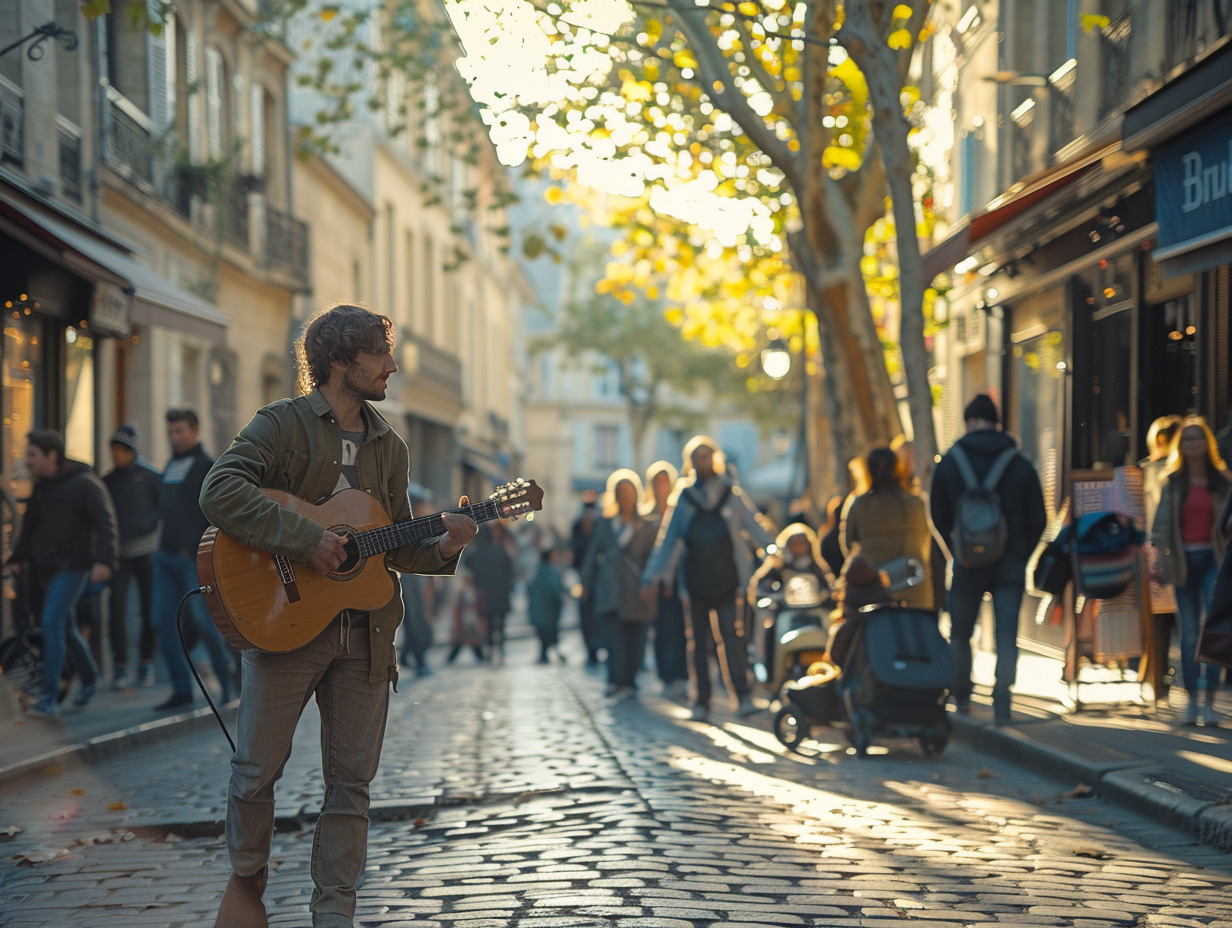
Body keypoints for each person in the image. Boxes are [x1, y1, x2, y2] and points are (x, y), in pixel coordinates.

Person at [199, 302, 477, 928]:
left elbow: (395, 544)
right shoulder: (281, 424)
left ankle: (335, 914)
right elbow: (219, 491)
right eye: (381, 354)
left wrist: (448, 543)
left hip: (366, 638)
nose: (393, 366)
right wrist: (303, 537)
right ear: (342, 359)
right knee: (254, 771)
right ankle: (245, 891)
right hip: (283, 626)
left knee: (351, 786)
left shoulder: (391, 446)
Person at [930, 394, 1046, 725]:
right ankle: (1003, 703)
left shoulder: (950, 462)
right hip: (1010, 563)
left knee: (961, 633)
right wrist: (1020, 553)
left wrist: (956, 549)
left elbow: (936, 513)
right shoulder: (1020, 463)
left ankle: (962, 697)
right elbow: (1038, 517)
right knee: (1007, 635)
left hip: (967, 563)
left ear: (968, 421)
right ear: (997, 423)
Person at [641, 435, 775, 721]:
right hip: (694, 581)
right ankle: (701, 702)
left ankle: (742, 696)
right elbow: (668, 541)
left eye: (706, 456)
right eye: (697, 457)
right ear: (691, 461)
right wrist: (651, 576)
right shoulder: (684, 496)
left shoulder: (731, 492)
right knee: (697, 642)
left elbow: (754, 526)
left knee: (732, 637)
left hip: (728, 579)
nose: (702, 462)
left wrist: (776, 552)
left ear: (714, 458)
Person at [3, 430, 117, 718]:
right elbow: (29, 530)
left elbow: (106, 523)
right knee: (64, 626)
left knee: (51, 621)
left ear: (51, 456)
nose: (26, 460)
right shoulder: (42, 488)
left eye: (32, 454)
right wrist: (17, 559)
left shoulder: (85, 484)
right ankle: (90, 679)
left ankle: (49, 699)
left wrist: (105, 560)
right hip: (46, 568)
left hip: (74, 567)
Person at [152, 408, 236, 711]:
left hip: (192, 559)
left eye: (180, 431)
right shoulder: (172, 464)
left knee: (204, 623)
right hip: (164, 557)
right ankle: (182, 690)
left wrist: (195, 546)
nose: (175, 437)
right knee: (164, 622)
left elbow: (216, 513)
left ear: (195, 431)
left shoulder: (206, 466)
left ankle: (228, 687)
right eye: (171, 432)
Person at [1150, 416, 1231, 726]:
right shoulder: (1173, 481)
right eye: (1187, 439)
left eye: (1198, 438)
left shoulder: (1222, 480)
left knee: (1213, 631)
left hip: (1214, 561)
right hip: (1183, 563)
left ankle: (1210, 702)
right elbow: (1160, 526)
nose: (1193, 443)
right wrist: (1157, 559)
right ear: (1180, 445)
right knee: (1188, 635)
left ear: (1207, 443)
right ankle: (1191, 702)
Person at [581, 469, 659, 698]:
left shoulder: (646, 525)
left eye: (630, 491)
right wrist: (585, 583)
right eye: (622, 492)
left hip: (636, 590)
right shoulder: (605, 524)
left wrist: (652, 582)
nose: (626, 496)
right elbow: (592, 554)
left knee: (635, 638)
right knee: (613, 637)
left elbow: (651, 557)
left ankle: (630, 681)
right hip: (611, 589)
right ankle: (615, 680)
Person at [97, 425, 161, 689]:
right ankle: (120, 665)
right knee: (117, 608)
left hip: (146, 549)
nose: (116, 456)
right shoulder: (109, 480)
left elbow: (162, 507)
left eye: (121, 451)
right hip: (119, 554)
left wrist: (145, 525)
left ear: (131, 450)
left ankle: (145, 662)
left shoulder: (150, 476)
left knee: (149, 608)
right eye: (113, 451)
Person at [841, 447, 937, 610]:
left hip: (872, 589)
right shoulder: (916, 503)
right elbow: (926, 544)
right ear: (898, 469)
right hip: (914, 586)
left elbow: (848, 543)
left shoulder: (858, 505)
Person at [747, 522, 834, 680]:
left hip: (816, 612)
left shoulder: (817, 567)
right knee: (769, 632)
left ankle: (834, 668)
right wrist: (771, 596)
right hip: (786, 612)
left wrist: (829, 595)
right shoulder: (778, 566)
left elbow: (829, 586)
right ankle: (770, 675)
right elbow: (761, 586)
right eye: (795, 543)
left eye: (802, 543)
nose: (799, 547)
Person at [645, 460, 688, 698]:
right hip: (655, 582)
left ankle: (679, 676)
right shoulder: (648, 515)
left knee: (679, 629)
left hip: (679, 579)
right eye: (657, 482)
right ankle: (666, 676)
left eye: (665, 481)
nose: (662, 486)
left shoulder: (680, 511)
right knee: (661, 630)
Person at [398, 494, 438, 677]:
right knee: (414, 619)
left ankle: (409, 656)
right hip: (407, 578)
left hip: (415, 579)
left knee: (414, 619)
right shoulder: (407, 527)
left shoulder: (419, 529)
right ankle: (419, 659)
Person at [465, 519, 515, 662]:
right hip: (501, 594)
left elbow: (468, 568)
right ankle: (500, 646)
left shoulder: (475, 554)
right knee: (501, 623)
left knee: (487, 623)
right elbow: (511, 572)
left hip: (483, 595)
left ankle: (489, 648)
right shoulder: (500, 551)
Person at [569, 490, 602, 665]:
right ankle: (591, 650)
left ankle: (598, 648)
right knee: (586, 616)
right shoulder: (577, 525)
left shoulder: (602, 523)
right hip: (584, 578)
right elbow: (575, 552)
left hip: (600, 579)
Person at [528, 545, 566, 664]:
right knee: (549, 634)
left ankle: (545, 656)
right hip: (548, 610)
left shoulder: (538, 571)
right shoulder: (551, 572)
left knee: (543, 635)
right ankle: (548, 656)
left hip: (539, 610)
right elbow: (554, 589)